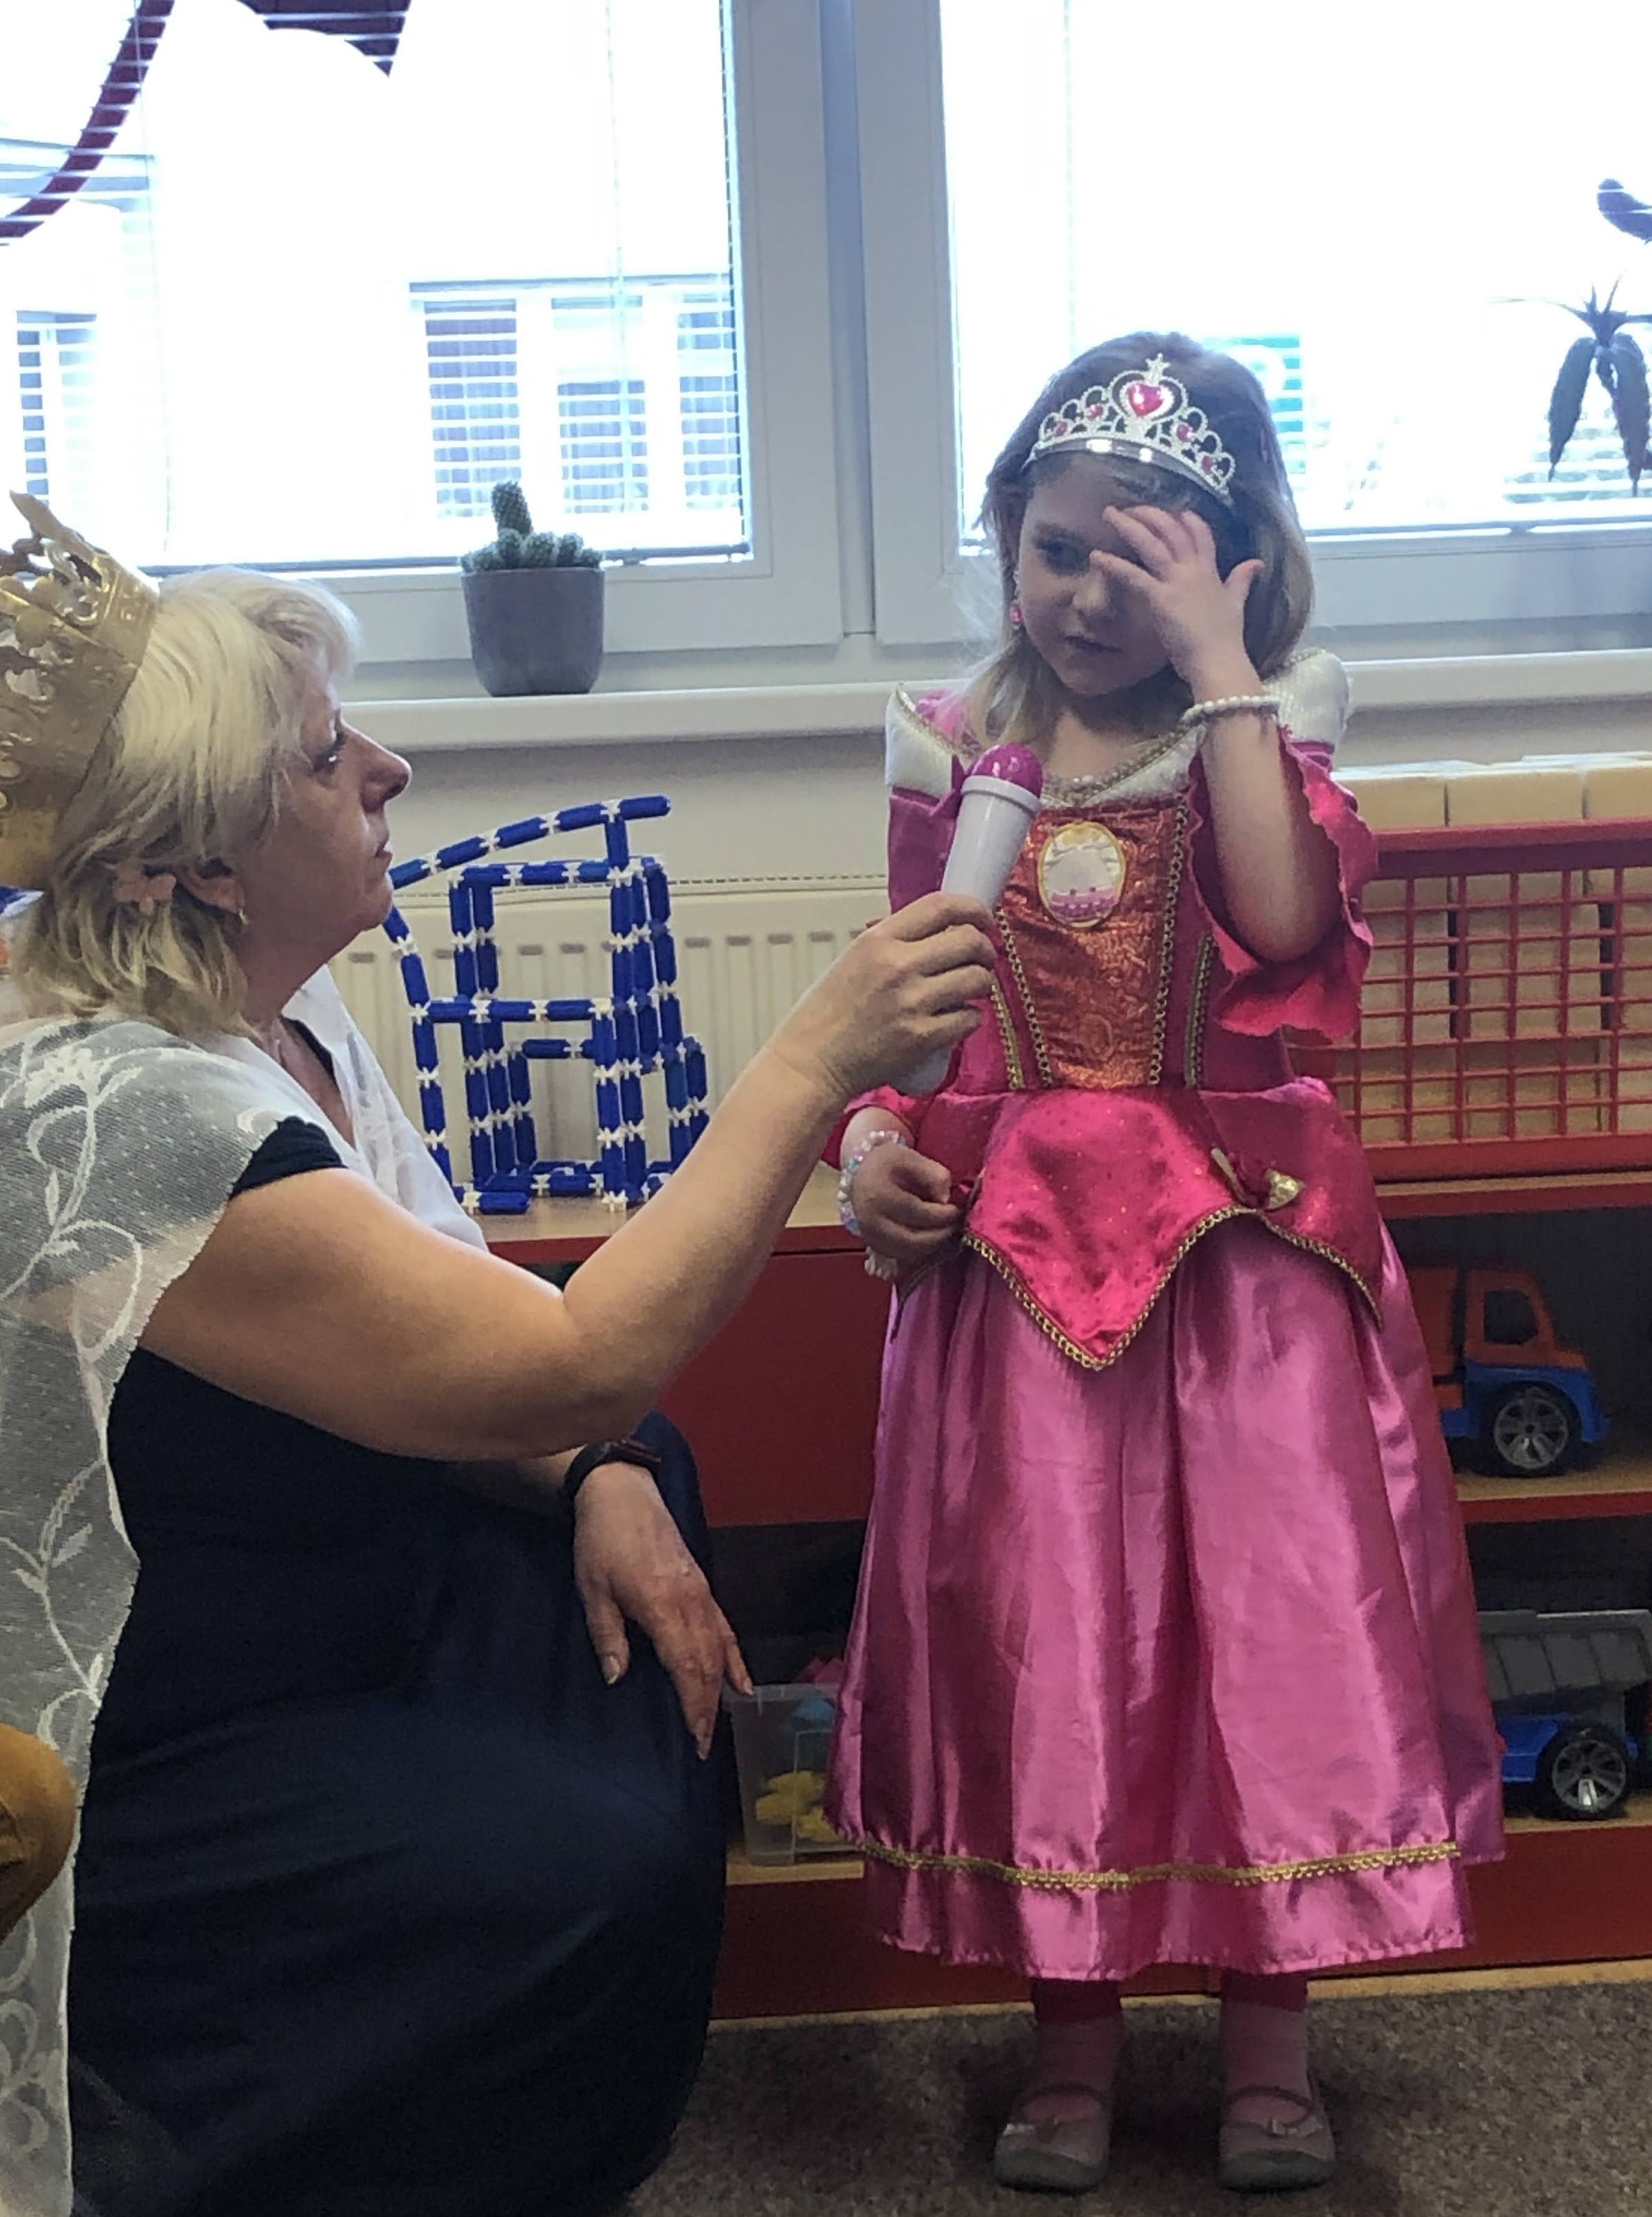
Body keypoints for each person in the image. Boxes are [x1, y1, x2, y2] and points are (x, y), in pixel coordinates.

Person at [0, 492, 995, 2217]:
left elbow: (483, 1309)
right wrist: (812, 1057)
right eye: (328, 757)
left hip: (335, 1569)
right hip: (180, 1717)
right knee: (583, 1859)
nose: (387, 768)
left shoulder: (267, 1001)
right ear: (206, 862)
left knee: (646, 1481)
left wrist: (606, 1464)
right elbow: (573, 1357)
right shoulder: (115, 1110)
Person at [824, 336, 1504, 2194]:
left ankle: (1271, 2045)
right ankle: (1070, 2043)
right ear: (1004, 542)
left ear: (1233, 566)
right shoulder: (947, 753)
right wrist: (871, 1153)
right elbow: (903, 1022)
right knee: (1051, 1654)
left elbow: (1278, 928)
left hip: (1243, 1289)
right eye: (1056, 552)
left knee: (1263, 1653)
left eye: (1139, 567)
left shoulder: (1260, 736)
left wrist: (1224, 677)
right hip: (1015, 1294)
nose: (1085, 598)